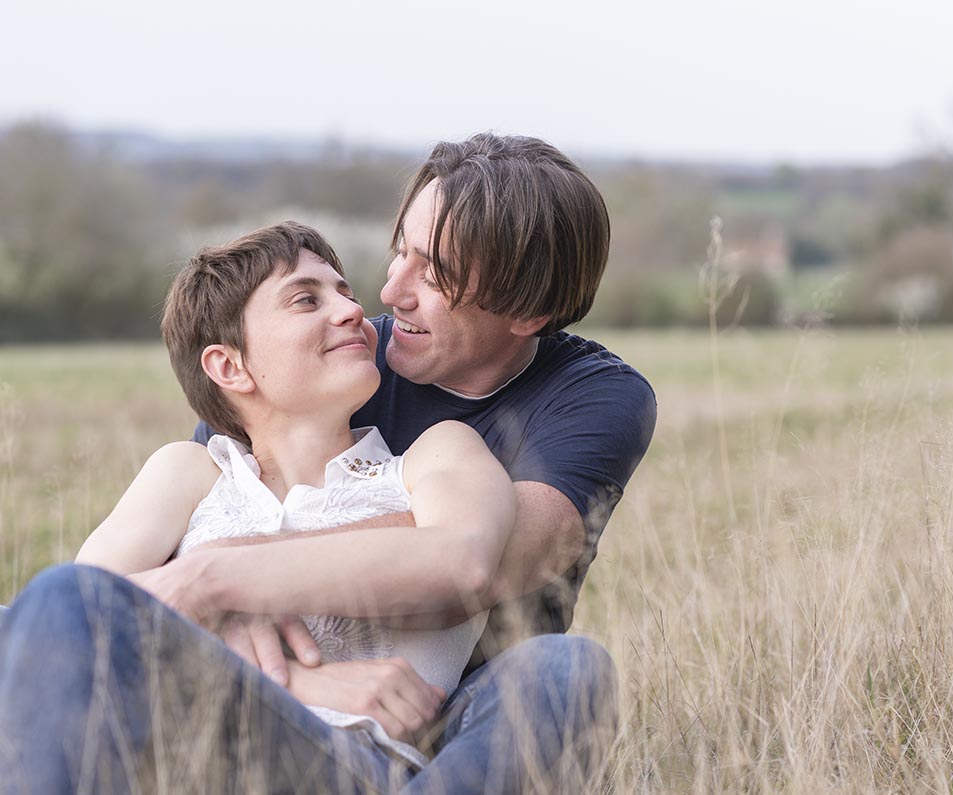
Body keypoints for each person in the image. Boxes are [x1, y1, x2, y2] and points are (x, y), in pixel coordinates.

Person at [1, 133, 657, 793]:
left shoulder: (575, 402)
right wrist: (287, 663)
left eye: (435, 273)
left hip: (436, 718)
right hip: (251, 715)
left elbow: (480, 562)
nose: (379, 297)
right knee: (39, 610)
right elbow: (100, 620)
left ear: (525, 311)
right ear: (231, 369)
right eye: (401, 249)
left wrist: (218, 578)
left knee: (565, 669)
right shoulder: (305, 379)